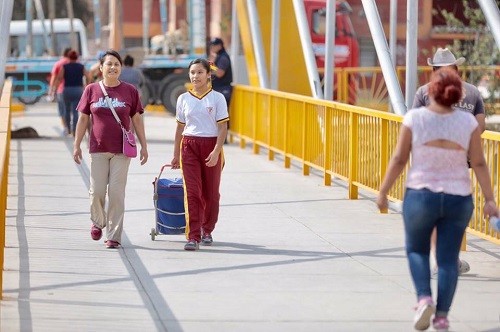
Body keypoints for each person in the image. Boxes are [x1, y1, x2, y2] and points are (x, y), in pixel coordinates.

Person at [377, 67, 498, 331]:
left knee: (417, 250)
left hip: (421, 195)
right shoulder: (467, 123)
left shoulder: (415, 118)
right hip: (458, 199)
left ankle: (423, 299)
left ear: (431, 90)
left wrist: (384, 191)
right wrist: (490, 200)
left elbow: (399, 159)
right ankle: (441, 316)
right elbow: (478, 162)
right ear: (457, 94)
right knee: (447, 259)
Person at [412, 48, 487, 276]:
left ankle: (444, 259)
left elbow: (415, 124)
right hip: (460, 162)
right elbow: (480, 126)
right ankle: (448, 259)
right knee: (455, 210)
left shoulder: (424, 93)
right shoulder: (472, 93)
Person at [73, 49, 149, 249]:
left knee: (116, 193)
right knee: (97, 191)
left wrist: (144, 146)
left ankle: (113, 235)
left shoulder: (130, 91)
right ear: (101, 68)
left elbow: (137, 119)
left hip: (121, 151)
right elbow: (83, 119)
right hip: (97, 148)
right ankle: (98, 221)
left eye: (117, 64)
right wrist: (76, 145)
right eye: (109, 64)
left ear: (121, 68)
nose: (113, 67)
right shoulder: (91, 90)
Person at [170, 58, 229, 251]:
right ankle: (193, 236)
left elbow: (222, 128)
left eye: (199, 72)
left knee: (211, 194)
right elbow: (179, 129)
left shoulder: (217, 98)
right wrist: (175, 154)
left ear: (208, 75)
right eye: (192, 72)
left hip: (211, 145)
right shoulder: (183, 99)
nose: (195, 76)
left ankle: (207, 229)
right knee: (192, 192)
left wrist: (216, 151)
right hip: (189, 146)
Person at [51, 50, 91, 137]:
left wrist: (54, 90)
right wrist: (87, 86)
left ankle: (68, 129)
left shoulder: (64, 67)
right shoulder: (81, 66)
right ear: (77, 57)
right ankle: (75, 130)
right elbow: (88, 76)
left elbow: (59, 79)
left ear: (68, 57)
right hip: (78, 90)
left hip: (67, 90)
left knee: (67, 110)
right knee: (76, 111)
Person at [48, 47, 72, 135]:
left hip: (61, 90)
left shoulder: (58, 63)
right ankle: (73, 127)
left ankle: (66, 128)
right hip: (74, 89)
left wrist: (51, 90)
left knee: (62, 110)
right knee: (73, 110)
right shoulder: (75, 63)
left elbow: (54, 78)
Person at [208, 38, 233, 106]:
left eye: (213, 46)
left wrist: (211, 64)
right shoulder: (219, 56)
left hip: (223, 90)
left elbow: (220, 73)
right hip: (219, 89)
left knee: (221, 114)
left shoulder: (223, 57)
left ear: (219, 46)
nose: (211, 47)